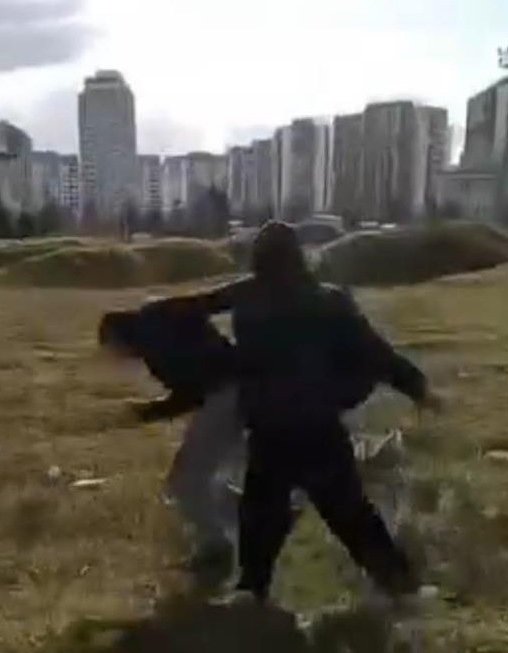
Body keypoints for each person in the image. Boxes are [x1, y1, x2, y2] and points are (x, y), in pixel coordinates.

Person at [146, 220, 441, 604]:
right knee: (351, 514)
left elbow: (195, 307)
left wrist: (150, 317)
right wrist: (419, 388)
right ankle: (401, 588)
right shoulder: (327, 300)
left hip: (269, 428)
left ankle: (250, 589)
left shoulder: (247, 294)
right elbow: (376, 353)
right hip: (316, 426)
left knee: (260, 514)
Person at [98, 303, 242, 576]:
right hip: (234, 392)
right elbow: (192, 387)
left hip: (226, 396)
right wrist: (145, 412)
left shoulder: (156, 338)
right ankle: (248, 523)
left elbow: (190, 392)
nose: (117, 357)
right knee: (211, 480)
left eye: (113, 349)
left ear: (118, 337)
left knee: (186, 481)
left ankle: (217, 548)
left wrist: (144, 413)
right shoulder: (156, 328)